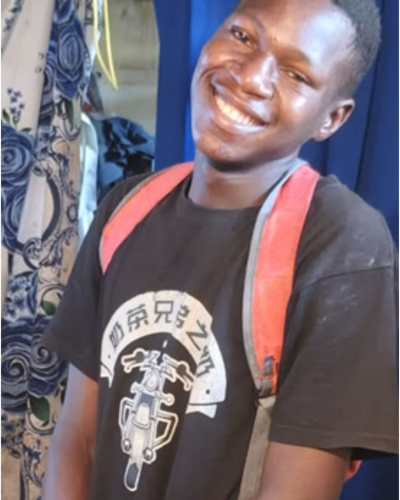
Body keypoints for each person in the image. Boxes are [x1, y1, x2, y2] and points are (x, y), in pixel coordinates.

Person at [42, 0, 398, 499]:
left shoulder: (342, 243)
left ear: (331, 119)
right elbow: (79, 436)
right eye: (243, 36)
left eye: (296, 74)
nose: (251, 77)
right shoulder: (125, 210)